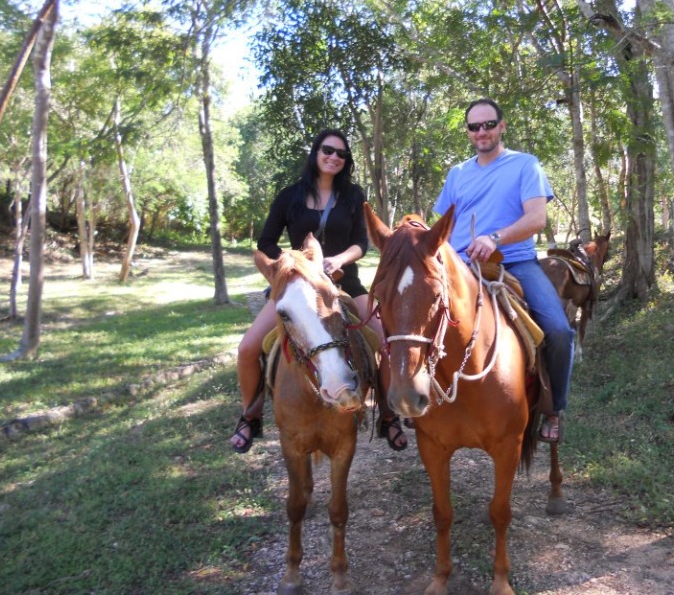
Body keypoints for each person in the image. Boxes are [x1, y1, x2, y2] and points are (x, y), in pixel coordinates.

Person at [230, 128, 408, 453]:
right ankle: (250, 415)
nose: (334, 157)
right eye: (328, 150)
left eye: (341, 154)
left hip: (345, 281)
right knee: (247, 348)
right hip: (297, 286)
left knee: (387, 340)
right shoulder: (289, 196)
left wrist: (338, 258)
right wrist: (294, 265)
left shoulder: (353, 196)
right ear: (315, 152)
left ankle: (386, 414)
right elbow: (266, 242)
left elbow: (361, 243)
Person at [433, 98, 575, 443]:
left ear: (502, 126)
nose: (481, 132)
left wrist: (495, 238)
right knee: (410, 323)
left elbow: (536, 219)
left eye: (488, 124)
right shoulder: (458, 174)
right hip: (460, 267)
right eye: (474, 127)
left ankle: (553, 407)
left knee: (559, 331)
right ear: (467, 132)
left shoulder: (526, 165)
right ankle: (417, 400)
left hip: (514, 261)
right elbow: (443, 226)